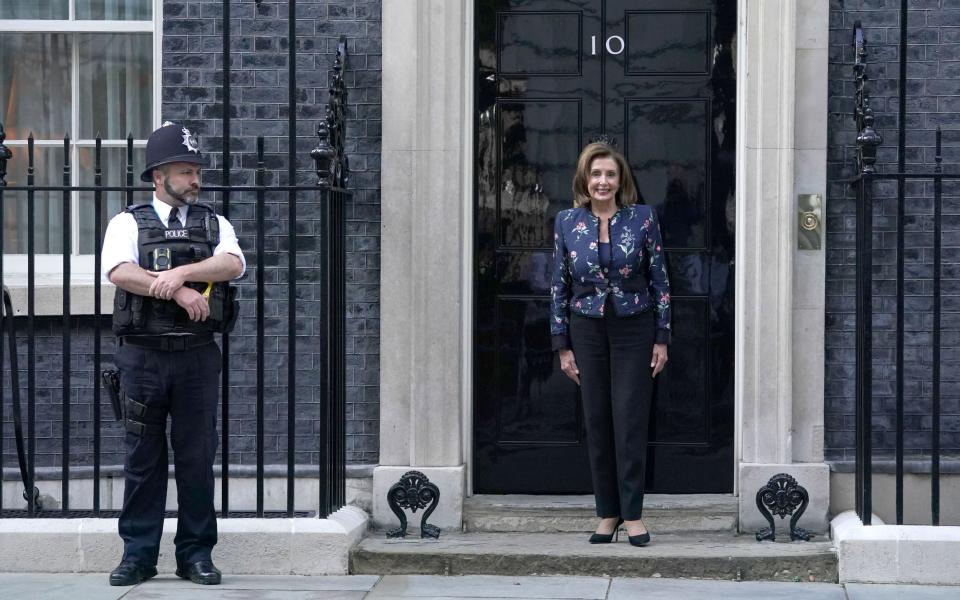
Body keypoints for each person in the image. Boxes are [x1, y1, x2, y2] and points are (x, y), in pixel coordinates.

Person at [101, 122, 245, 586]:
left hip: (197, 357)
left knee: (197, 457)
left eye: (196, 171)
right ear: (158, 175)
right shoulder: (127, 222)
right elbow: (120, 272)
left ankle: (196, 555)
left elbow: (233, 264)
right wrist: (178, 293)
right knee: (143, 458)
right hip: (142, 357)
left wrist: (182, 270)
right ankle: (138, 555)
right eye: (185, 172)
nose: (195, 180)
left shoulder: (213, 223)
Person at [550, 141, 671, 547]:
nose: (603, 181)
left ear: (622, 181)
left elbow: (660, 280)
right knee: (598, 421)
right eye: (596, 174)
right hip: (586, 330)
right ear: (585, 179)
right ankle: (607, 513)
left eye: (610, 175)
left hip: (634, 328)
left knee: (630, 420)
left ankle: (633, 515)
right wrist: (562, 346)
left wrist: (662, 337)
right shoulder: (567, 222)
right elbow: (558, 287)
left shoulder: (642, 219)